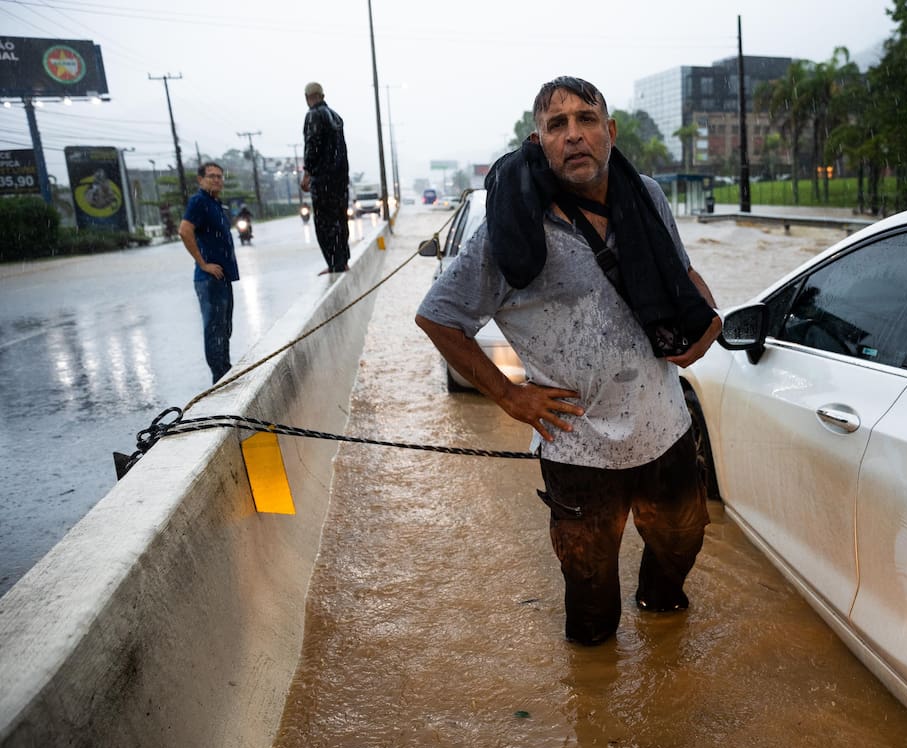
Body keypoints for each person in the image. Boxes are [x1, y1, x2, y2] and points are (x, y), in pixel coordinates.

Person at [415, 76, 722, 646]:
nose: (574, 135)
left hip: (666, 429)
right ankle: (595, 710)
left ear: (610, 131)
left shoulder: (647, 195)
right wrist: (511, 397)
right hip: (578, 448)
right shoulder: (513, 229)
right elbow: (438, 317)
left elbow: (683, 274)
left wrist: (711, 321)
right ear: (539, 141)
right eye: (558, 125)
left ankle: (662, 636)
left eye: (586, 120)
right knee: (590, 599)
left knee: (679, 551)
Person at [179, 162, 240, 384]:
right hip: (209, 278)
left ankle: (225, 370)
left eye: (219, 176)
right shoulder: (199, 202)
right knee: (215, 329)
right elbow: (184, 231)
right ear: (200, 180)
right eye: (211, 176)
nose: (216, 180)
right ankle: (220, 377)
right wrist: (203, 264)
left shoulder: (215, 203)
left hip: (223, 277)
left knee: (225, 327)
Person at [300, 81, 350, 275]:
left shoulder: (313, 116)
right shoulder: (336, 118)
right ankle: (342, 261)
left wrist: (307, 173)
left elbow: (312, 146)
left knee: (324, 223)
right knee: (340, 219)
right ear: (322, 95)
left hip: (323, 180)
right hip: (339, 181)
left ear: (308, 97)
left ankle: (333, 264)